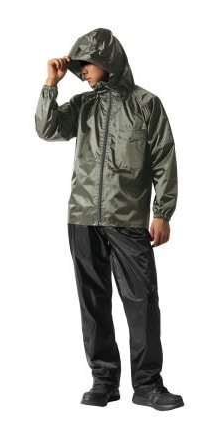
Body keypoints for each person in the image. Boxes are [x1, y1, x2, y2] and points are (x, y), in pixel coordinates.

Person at [35, 28, 183, 411]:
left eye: (87, 63)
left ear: (107, 60)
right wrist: (51, 85)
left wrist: (162, 212)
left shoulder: (146, 104)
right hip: (82, 218)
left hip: (127, 218)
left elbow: (164, 158)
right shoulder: (83, 106)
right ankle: (104, 380)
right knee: (93, 302)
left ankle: (148, 385)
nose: (82, 70)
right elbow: (47, 129)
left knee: (142, 301)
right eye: (79, 65)